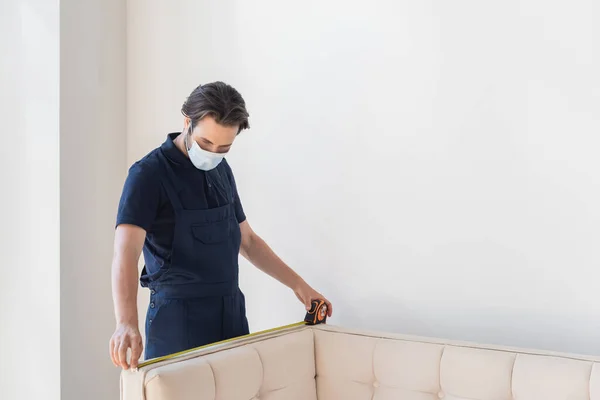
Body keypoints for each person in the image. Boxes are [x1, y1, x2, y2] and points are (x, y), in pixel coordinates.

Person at [109, 82, 332, 370]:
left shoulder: (221, 170)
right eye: (206, 144)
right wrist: (125, 322)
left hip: (230, 315)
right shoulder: (148, 175)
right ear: (187, 123)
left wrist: (300, 286)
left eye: (224, 147)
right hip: (177, 322)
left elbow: (248, 241)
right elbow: (125, 253)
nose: (213, 153)